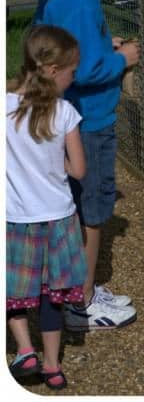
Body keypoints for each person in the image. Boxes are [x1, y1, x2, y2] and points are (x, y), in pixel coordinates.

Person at [30, 0, 141, 331]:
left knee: (71, 206)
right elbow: (87, 69)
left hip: (64, 113)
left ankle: (72, 288)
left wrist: (100, 43)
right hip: (89, 118)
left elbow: (65, 49)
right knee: (93, 213)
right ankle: (83, 301)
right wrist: (122, 59)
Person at [6, 26, 87, 390]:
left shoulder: (5, 104)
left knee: (14, 288)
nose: (74, 78)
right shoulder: (65, 112)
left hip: (16, 219)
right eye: (72, 71)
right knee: (50, 295)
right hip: (58, 218)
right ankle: (53, 365)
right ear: (53, 70)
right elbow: (79, 170)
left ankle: (25, 348)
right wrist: (59, 168)